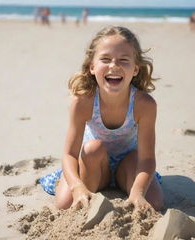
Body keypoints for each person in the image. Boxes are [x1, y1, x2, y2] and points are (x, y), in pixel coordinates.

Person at [40, 26, 164, 212]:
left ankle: (128, 190)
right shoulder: (83, 102)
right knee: (64, 203)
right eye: (105, 59)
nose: (114, 66)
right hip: (92, 164)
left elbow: (146, 159)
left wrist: (138, 192)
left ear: (136, 69)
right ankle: (88, 190)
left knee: (155, 203)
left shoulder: (144, 104)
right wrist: (77, 187)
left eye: (124, 60)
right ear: (92, 67)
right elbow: (69, 155)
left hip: (128, 165)